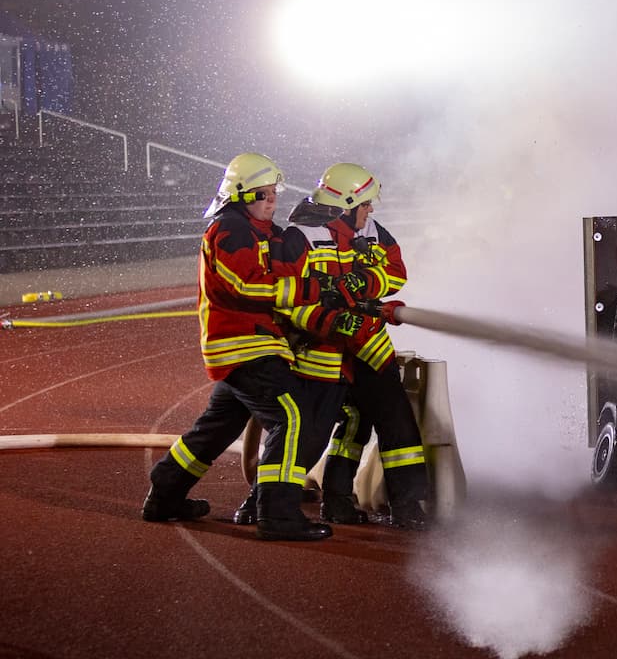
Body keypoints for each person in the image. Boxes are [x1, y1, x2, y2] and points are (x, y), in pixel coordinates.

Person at [142, 152, 376, 541]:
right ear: (240, 195)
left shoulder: (260, 232)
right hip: (245, 344)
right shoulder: (231, 230)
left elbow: (280, 269)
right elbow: (248, 284)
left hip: (247, 345)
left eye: (273, 194)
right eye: (263, 195)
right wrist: (316, 288)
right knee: (293, 417)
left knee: (216, 427)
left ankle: (165, 494)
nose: (272, 201)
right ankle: (278, 515)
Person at [233, 162, 429, 530]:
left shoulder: (372, 231)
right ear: (347, 203)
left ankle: (400, 505)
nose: (371, 211)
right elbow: (286, 300)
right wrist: (331, 321)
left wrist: (364, 283)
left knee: (394, 421)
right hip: (320, 352)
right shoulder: (298, 237)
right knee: (309, 434)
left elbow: (397, 270)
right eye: (366, 204)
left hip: (368, 344)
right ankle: (262, 500)